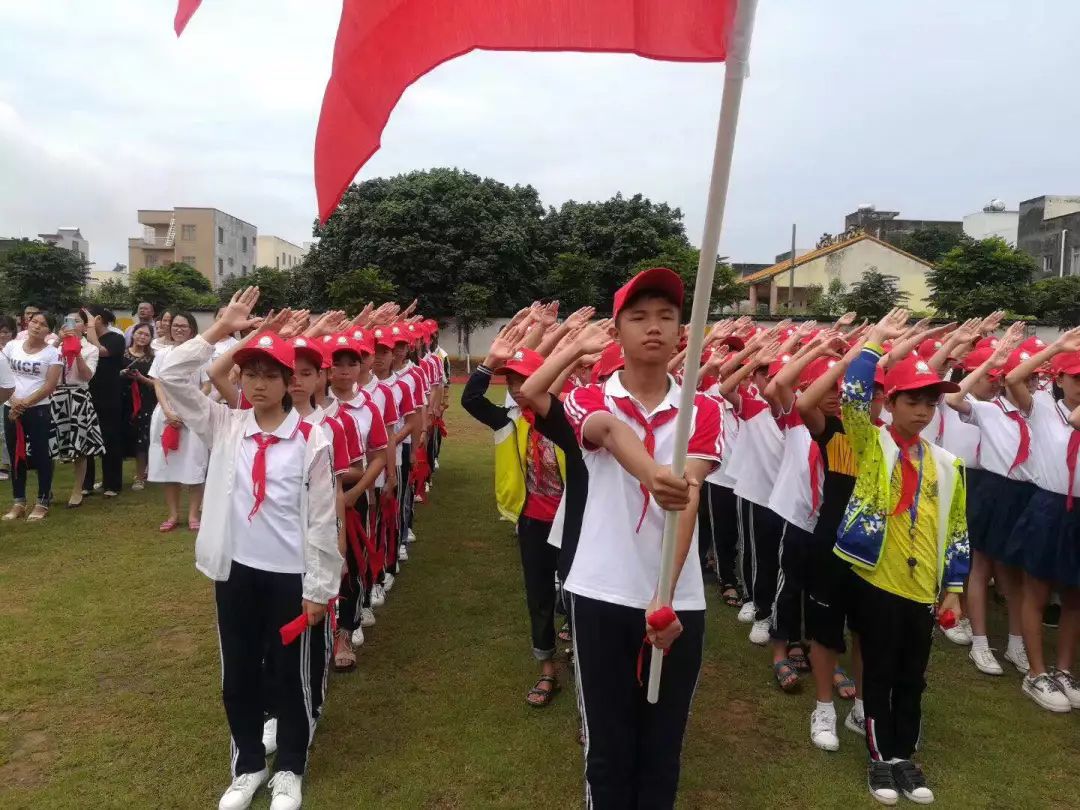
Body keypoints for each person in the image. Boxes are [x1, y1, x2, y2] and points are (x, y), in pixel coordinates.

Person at [156, 287, 340, 810]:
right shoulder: (226, 425)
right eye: (250, 373)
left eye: (270, 375)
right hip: (235, 571)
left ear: (289, 383)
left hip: (290, 576)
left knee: (291, 676)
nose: (258, 384)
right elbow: (168, 373)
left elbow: (323, 520)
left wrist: (320, 587)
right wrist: (220, 332)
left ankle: (291, 769)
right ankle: (248, 767)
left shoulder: (312, 438)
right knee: (237, 673)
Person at [560, 267, 722, 808]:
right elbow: (606, 431)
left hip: (677, 602)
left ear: (684, 330)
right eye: (639, 316)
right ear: (617, 330)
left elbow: (691, 493)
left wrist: (665, 597)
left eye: (667, 316)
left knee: (662, 749)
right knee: (607, 747)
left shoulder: (703, 408)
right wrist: (654, 474)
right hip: (602, 591)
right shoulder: (586, 396)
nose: (654, 327)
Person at [838, 308, 969, 806]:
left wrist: (953, 587)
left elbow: (956, 528)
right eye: (912, 400)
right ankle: (878, 759)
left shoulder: (947, 464)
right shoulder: (873, 445)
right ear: (889, 403)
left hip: (922, 588)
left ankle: (903, 756)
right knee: (879, 671)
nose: (922, 411)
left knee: (913, 675)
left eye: (930, 403)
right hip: (878, 581)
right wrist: (872, 342)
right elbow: (852, 398)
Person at [461, 323, 568, 706]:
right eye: (512, 381)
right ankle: (547, 669)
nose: (518, 388)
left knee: (575, 593)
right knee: (538, 595)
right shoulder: (509, 423)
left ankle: (581, 651)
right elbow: (471, 399)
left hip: (573, 522)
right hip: (533, 521)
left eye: (526, 379)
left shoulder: (567, 419)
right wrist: (490, 361)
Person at [1003, 327, 1080, 713]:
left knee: (1075, 596)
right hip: (1049, 506)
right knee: (1036, 591)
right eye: (1076, 377)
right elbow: (1012, 378)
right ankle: (1036, 671)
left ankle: (1064, 670)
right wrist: (1055, 347)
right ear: (1061, 377)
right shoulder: (1044, 408)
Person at [147, 311, 208, 532]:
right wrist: (167, 410)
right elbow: (158, 383)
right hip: (166, 414)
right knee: (168, 466)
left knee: (194, 465)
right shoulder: (162, 354)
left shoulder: (199, 354)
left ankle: (193, 514)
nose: (178, 329)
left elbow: (206, 384)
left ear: (192, 329)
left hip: (192, 415)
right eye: (175, 325)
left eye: (183, 326)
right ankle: (173, 514)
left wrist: (190, 407)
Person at [2, 311, 62, 521]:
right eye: (34, 321)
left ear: (49, 331)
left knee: (40, 455)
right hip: (11, 407)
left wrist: (25, 403)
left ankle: (42, 501)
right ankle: (19, 501)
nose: (36, 326)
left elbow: (49, 385)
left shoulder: (52, 354)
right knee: (15, 453)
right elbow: (5, 375)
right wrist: (15, 400)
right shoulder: (12, 347)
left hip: (38, 409)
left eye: (43, 324)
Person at [51, 311, 106, 508]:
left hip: (78, 396)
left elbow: (87, 376)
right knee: (50, 444)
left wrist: (76, 351)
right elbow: (43, 366)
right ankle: (46, 490)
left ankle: (77, 490)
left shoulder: (90, 348)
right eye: (69, 321)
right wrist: (59, 341)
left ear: (84, 327)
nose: (73, 325)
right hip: (55, 394)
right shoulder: (53, 344)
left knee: (80, 447)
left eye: (77, 322)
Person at [81, 306, 128, 497]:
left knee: (110, 437)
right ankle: (86, 483)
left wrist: (90, 329)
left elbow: (101, 351)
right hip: (88, 392)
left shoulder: (116, 338)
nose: (84, 324)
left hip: (109, 394)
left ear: (98, 319)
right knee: (86, 438)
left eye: (87, 320)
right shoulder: (84, 339)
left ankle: (112, 484)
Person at [121, 323, 157, 490]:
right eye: (140, 333)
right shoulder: (122, 354)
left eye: (147, 335)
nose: (142, 337)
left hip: (145, 402)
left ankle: (140, 476)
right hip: (123, 400)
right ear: (133, 334)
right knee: (120, 437)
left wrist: (140, 378)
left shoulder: (153, 358)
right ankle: (114, 477)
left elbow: (156, 383)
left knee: (142, 440)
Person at [0, 314, 17, 481]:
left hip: (10, 394)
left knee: (6, 433)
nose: (2, 335)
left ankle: (7, 465)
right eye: (0, 332)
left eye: (6, 332)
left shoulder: (16, 349)